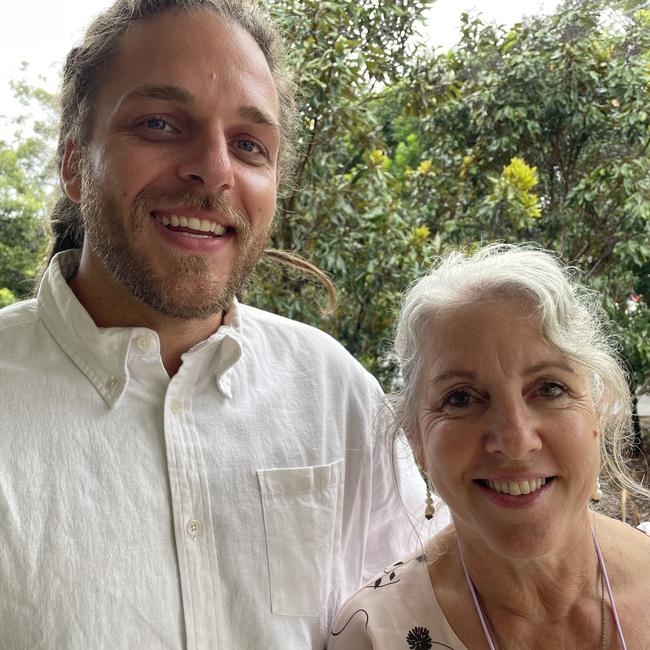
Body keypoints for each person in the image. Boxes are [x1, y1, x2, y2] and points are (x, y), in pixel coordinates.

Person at [0, 1, 429, 647]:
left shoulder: (337, 396)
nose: (215, 169)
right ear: (72, 165)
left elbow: (415, 619)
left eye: (250, 144)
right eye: (159, 124)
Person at [328, 244, 650, 649]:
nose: (515, 442)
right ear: (415, 437)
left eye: (549, 389)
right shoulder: (373, 634)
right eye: (460, 398)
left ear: (597, 414)